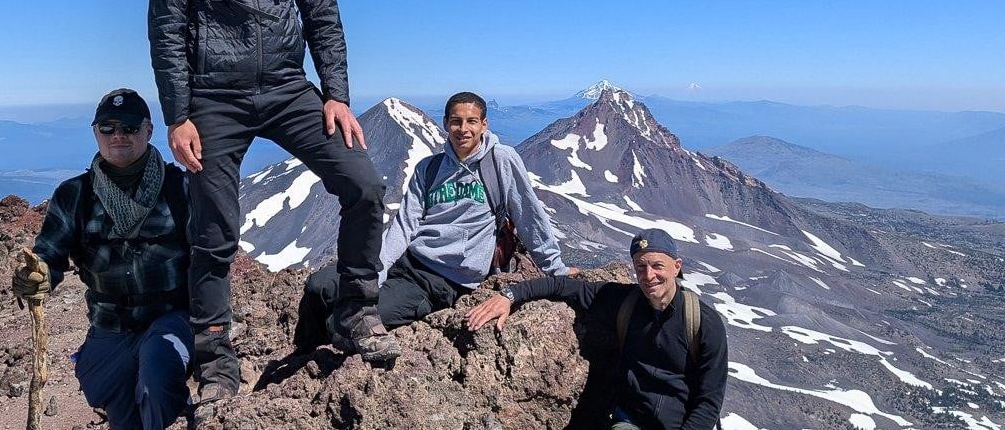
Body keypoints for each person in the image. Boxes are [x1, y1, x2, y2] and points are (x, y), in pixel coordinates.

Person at [148, 0, 397, 398]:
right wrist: (177, 114)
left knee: (363, 185)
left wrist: (335, 93)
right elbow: (167, 26)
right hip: (213, 95)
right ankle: (215, 362)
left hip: (288, 88)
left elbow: (324, 16)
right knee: (213, 226)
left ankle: (355, 310)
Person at [294, 91, 571, 350]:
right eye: (456, 122)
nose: (464, 129)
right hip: (407, 262)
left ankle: (320, 362)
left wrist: (555, 269)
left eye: (472, 121)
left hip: (440, 283)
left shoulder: (500, 161)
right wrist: (375, 272)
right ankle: (301, 355)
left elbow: (529, 216)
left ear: (484, 124)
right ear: (446, 124)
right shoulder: (429, 168)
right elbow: (404, 225)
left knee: (343, 323)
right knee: (319, 286)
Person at [12, 89, 192, 430]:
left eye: (128, 127)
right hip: (111, 326)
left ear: (148, 131)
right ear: (96, 133)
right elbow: (50, 253)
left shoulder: (178, 188)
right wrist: (39, 276)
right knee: (121, 410)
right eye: (107, 128)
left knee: (158, 376)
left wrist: (213, 329)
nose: (118, 135)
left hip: (171, 317)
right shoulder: (75, 194)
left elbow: (208, 257)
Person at [466, 228, 728, 430]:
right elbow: (561, 287)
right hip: (630, 422)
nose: (648, 275)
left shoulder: (703, 322)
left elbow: (709, 401)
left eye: (657, 265)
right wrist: (508, 295)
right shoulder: (623, 301)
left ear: (676, 266)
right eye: (640, 266)